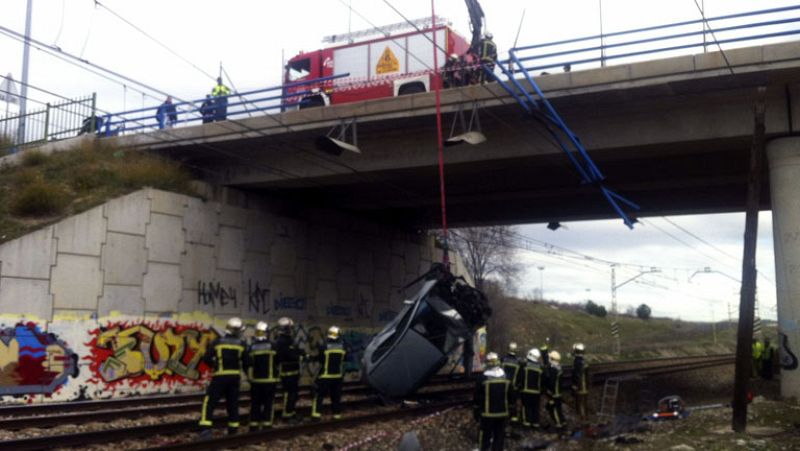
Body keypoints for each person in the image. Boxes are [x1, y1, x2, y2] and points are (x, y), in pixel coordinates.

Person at [198, 317, 246, 436]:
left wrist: (215, 365)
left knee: (209, 402)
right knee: (233, 403)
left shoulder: (217, 342)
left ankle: (205, 429)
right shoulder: (242, 344)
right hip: (234, 379)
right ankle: (233, 429)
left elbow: (206, 358)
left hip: (219, 377)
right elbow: (248, 362)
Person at [244, 321, 279, 431]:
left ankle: (253, 425)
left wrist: (249, 377)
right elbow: (278, 361)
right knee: (268, 403)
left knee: (255, 403)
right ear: (266, 333)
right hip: (269, 380)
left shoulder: (251, 347)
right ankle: (267, 424)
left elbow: (247, 363)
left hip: (256, 381)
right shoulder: (272, 346)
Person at [473, 352, 509, 451]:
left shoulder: (482, 378)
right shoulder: (506, 377)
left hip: (487, 414)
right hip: (502, 413)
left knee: (485, 434)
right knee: (499, 434)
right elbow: (511, 395)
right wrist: (511, 409)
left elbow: (477, 396)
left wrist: (476, 409)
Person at [312, 325, 347, 420]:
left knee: (319, 396)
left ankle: (316, 416)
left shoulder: (324, 346)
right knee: (336, 397)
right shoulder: (343, 347)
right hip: (338, 377)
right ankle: (336, 415)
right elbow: (345, 359)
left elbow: (320, 359)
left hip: (325, 376)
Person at [275, 317, 305, 421]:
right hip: (287, 372)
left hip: (294, 372)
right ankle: (287, 415)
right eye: (290, 328)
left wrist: (301, 353)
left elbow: (294, 351)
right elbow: (286, 355)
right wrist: (299, 357)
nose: (292, 330)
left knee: (294, 394)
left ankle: (292, 412)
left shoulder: (289, 340)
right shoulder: (281, 341)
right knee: (289, 394)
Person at [519, 348, 543, 429]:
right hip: (536, 392)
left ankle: (526, 423)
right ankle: (535, 423)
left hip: (526, 391)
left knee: (526, 407)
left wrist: (519, 387)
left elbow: (521, 377)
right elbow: (543, 380)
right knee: (535, 408)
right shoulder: (540, 367)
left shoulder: (525, 366)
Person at [544, 350, 566, 434]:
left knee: (554, 410)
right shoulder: (559, 368)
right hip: (558, 393)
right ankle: (563, 423)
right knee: (558, 410)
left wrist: (549, 391)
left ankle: (559, 427)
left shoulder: (553, 370)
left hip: (554, 394)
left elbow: (551, 382)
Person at [501, 342, 522, 424]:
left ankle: (503, 418)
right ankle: (513, 419)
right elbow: (520, 376)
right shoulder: (518, 362)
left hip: (503, 385)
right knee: (513, 403)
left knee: (503, 401)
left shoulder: (503, 360)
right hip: (513, 387)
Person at [571, 343, 590, 422]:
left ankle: (583, 420)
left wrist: (574, 386)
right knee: (584, 404)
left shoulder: (577, 362)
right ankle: (586, 418)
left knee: (580, 404)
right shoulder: (584, 361)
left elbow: (576, 375)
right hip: (585, 386)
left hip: (580, 387)